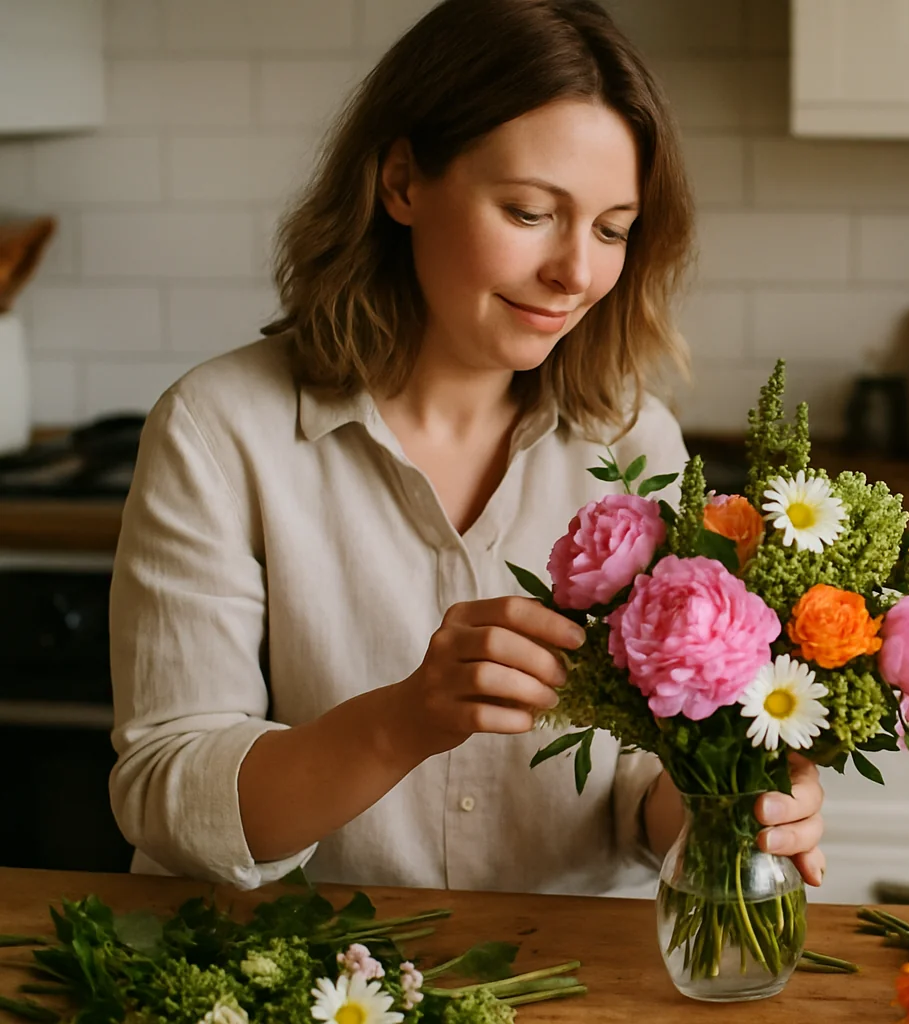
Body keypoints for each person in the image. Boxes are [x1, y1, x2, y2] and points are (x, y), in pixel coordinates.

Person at [108, 0, 825, 895]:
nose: (576, 272)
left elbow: (644, 783)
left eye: (611, 229)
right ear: (402, 181)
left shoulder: (633, 439)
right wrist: (400, 723)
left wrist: (728, 801)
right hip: (309, 978)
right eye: (530, 212)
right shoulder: (219, 431)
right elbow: (167, 798)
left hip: (563, 980)